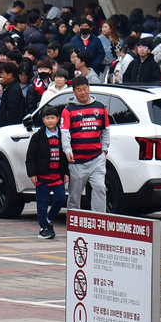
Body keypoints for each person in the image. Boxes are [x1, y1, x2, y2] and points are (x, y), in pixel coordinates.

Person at [60, 76, 109, 213]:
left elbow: (105, 131)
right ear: (74, 92)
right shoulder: (68, 110)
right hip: (77, 161)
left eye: (85, 89)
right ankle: (74, 222)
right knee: (75, 195)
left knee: (99, 188)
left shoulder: (100, 108)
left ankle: (99, 220)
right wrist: (67, 150)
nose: (83, 93)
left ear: (89, 88)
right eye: (79, 90)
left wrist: (104, 150)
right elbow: (65, 133)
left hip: (97, 158)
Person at [27, 105, 68, 239]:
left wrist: (66, 172)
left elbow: (65, 156)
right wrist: (32, 174)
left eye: (52, 118)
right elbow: (31, 157)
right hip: (42, 176)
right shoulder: (38, 137)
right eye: (47, 118)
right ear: (43, 120)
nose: (50, 121)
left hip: (57, 175)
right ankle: (43, 227)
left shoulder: (62, 136)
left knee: (61, 198)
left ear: (58, 119)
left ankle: (49, 219)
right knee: (42, 203)